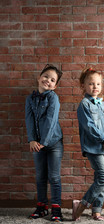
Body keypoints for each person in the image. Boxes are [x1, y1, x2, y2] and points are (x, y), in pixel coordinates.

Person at [72, 67, 104, 221]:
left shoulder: (103, 105)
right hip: (93, 147)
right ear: (83, 85)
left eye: (98, 84)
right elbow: (89, 127)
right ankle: (81, 205)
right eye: (91, 84)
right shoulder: (84, 105)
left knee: (99, 178)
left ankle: (96, 210)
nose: (95, 87)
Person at [25, 64, 63, 222]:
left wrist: (44, 142)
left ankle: (56, 208)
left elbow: (51, 120)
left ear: (55, 86)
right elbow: (29, 120)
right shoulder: (30, 98)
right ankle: (42, 206)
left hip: (53, 143)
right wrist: (32, 139)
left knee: (54, 176)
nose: (48, 80)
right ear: (39, 77)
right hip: (37, 144)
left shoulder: (53, 97)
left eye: (52, 80)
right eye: (46, 76)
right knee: (40, 176)